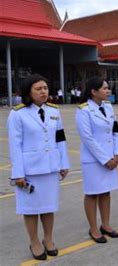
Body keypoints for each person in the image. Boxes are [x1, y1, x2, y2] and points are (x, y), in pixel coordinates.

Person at [7, 74, 70, 260]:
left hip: (50, 168)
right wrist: (18, 173)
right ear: (29, 92)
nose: (44, 91)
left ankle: (48, 239)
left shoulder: (54, 111)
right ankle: (34, 241)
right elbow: (15, 145)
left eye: (45, 88)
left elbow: (60, 138)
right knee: (31, 208)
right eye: (39, 89)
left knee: (49, 206)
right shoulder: (18, 114)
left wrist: (63, 163)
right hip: (30, 170)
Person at [76, 77, 118, 243]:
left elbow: (116, 131)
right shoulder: (84, 110)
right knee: (92, 194)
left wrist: (116, 154)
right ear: (93, 92)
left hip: (111, 157)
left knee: (106, 192)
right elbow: (87, 138)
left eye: (108, 88)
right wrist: (105, 159)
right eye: (104, 88)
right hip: (94, 160)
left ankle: (106, 224)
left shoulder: (108, 107)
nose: (108, 91)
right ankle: (94, 228)